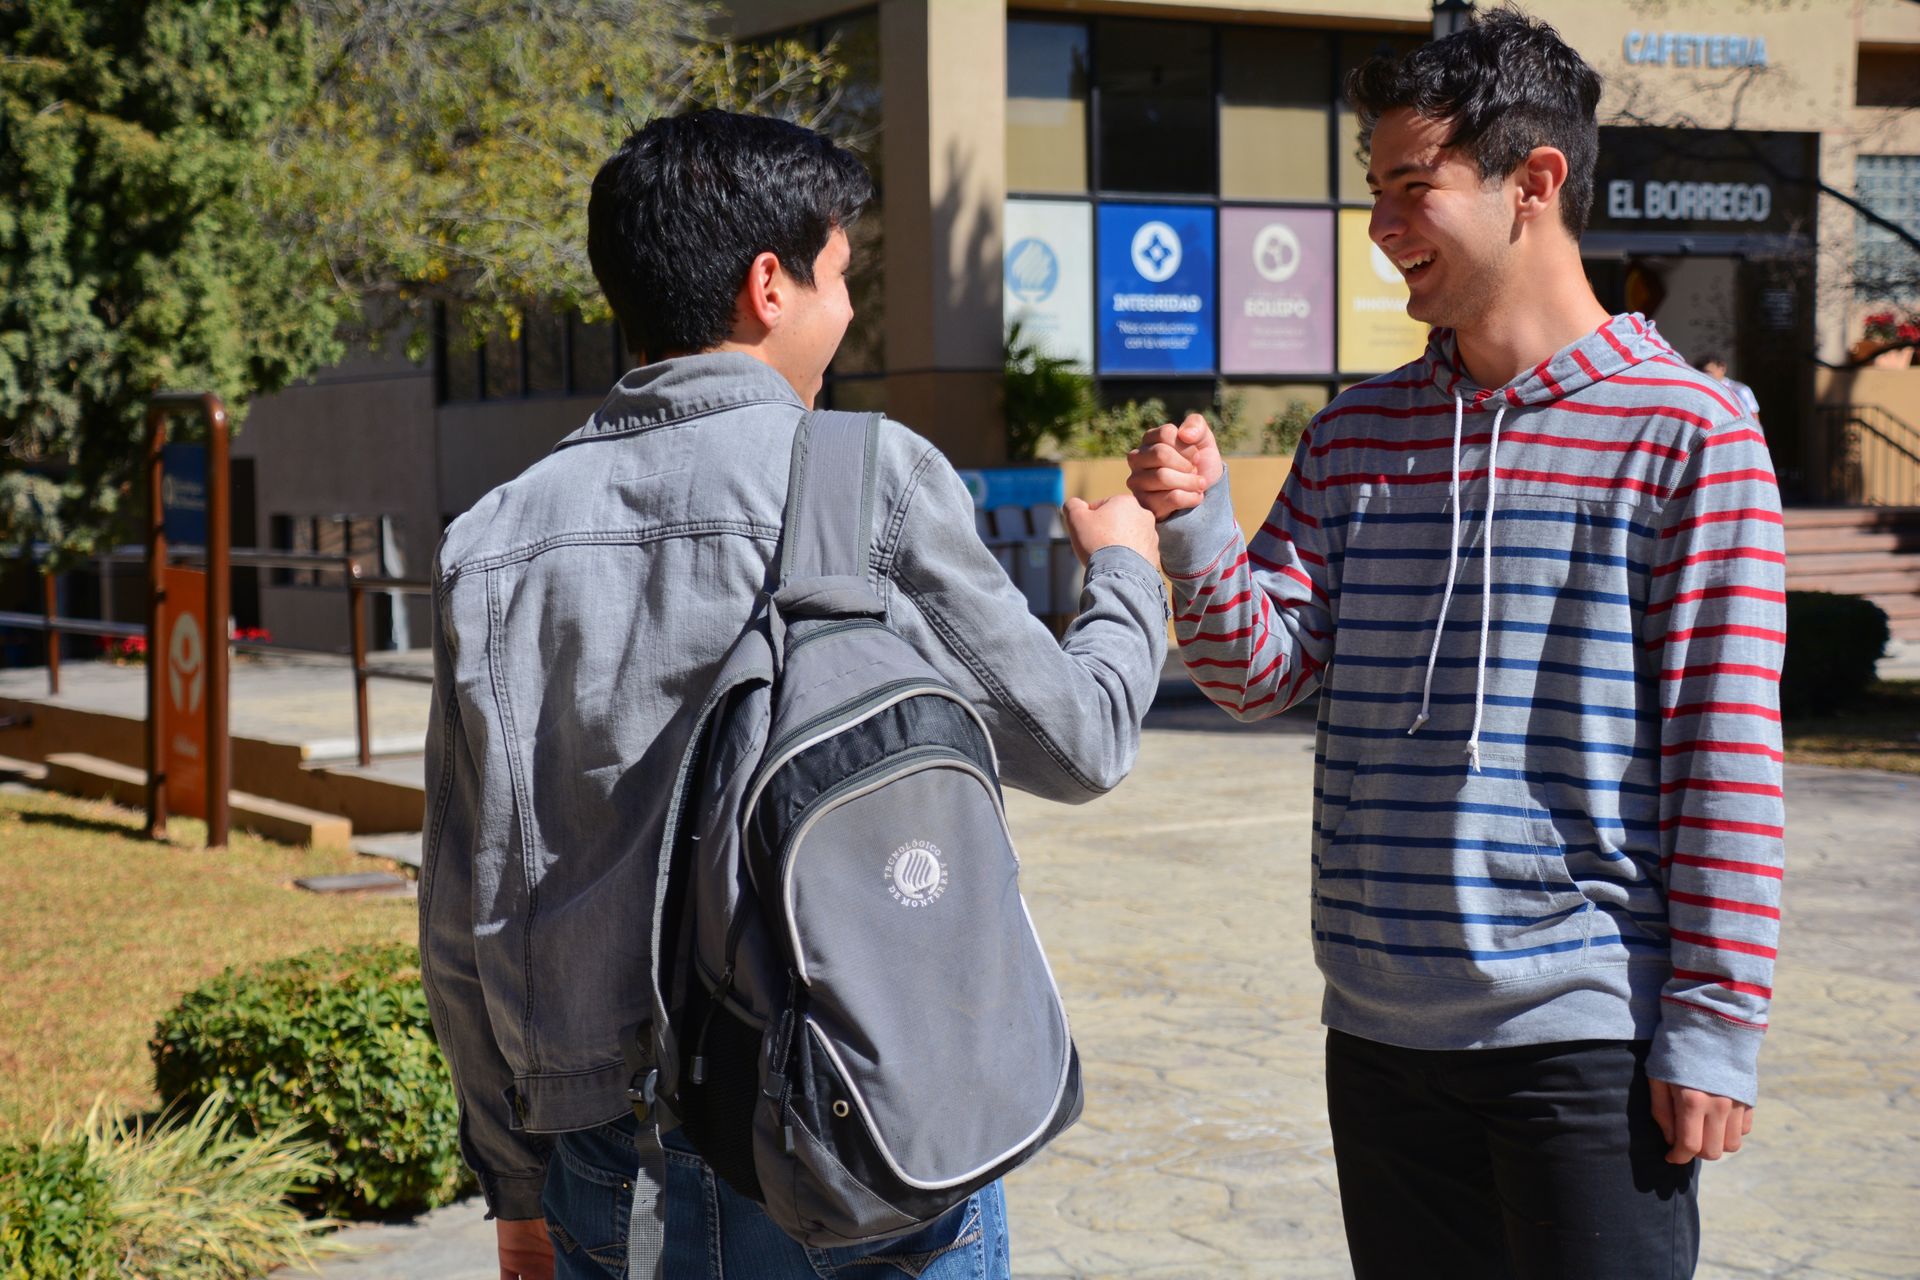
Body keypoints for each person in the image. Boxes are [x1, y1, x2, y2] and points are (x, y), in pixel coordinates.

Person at [422, 109, 1169, 1280]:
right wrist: (1125, 570)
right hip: (858, 1130)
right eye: (842, 274)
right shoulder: (864, 477)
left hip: (604, 1155)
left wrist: (513, 1179)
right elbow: (1079, 740)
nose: (852, 307)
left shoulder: (495, 539)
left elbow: (465, 899)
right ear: (768, 285)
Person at [1128, 11, 1783, 1278]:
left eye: (1411, 187)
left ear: (1536, 184)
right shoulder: (1356, 432)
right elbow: (1256, 674)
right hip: (1376, 1031)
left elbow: (1728, 754)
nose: (1382, 224)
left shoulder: (1691, 437)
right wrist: (1198, 526)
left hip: (1586, 1036)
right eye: (1374, 189)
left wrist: (1712, 1024)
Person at [1697, 352, 1763, 421]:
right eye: (1702, 373)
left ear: (1722, 368)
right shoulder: (1702, 390)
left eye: (1709, 373)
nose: (1706, 376)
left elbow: (1754, 417)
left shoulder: (1740, 390)